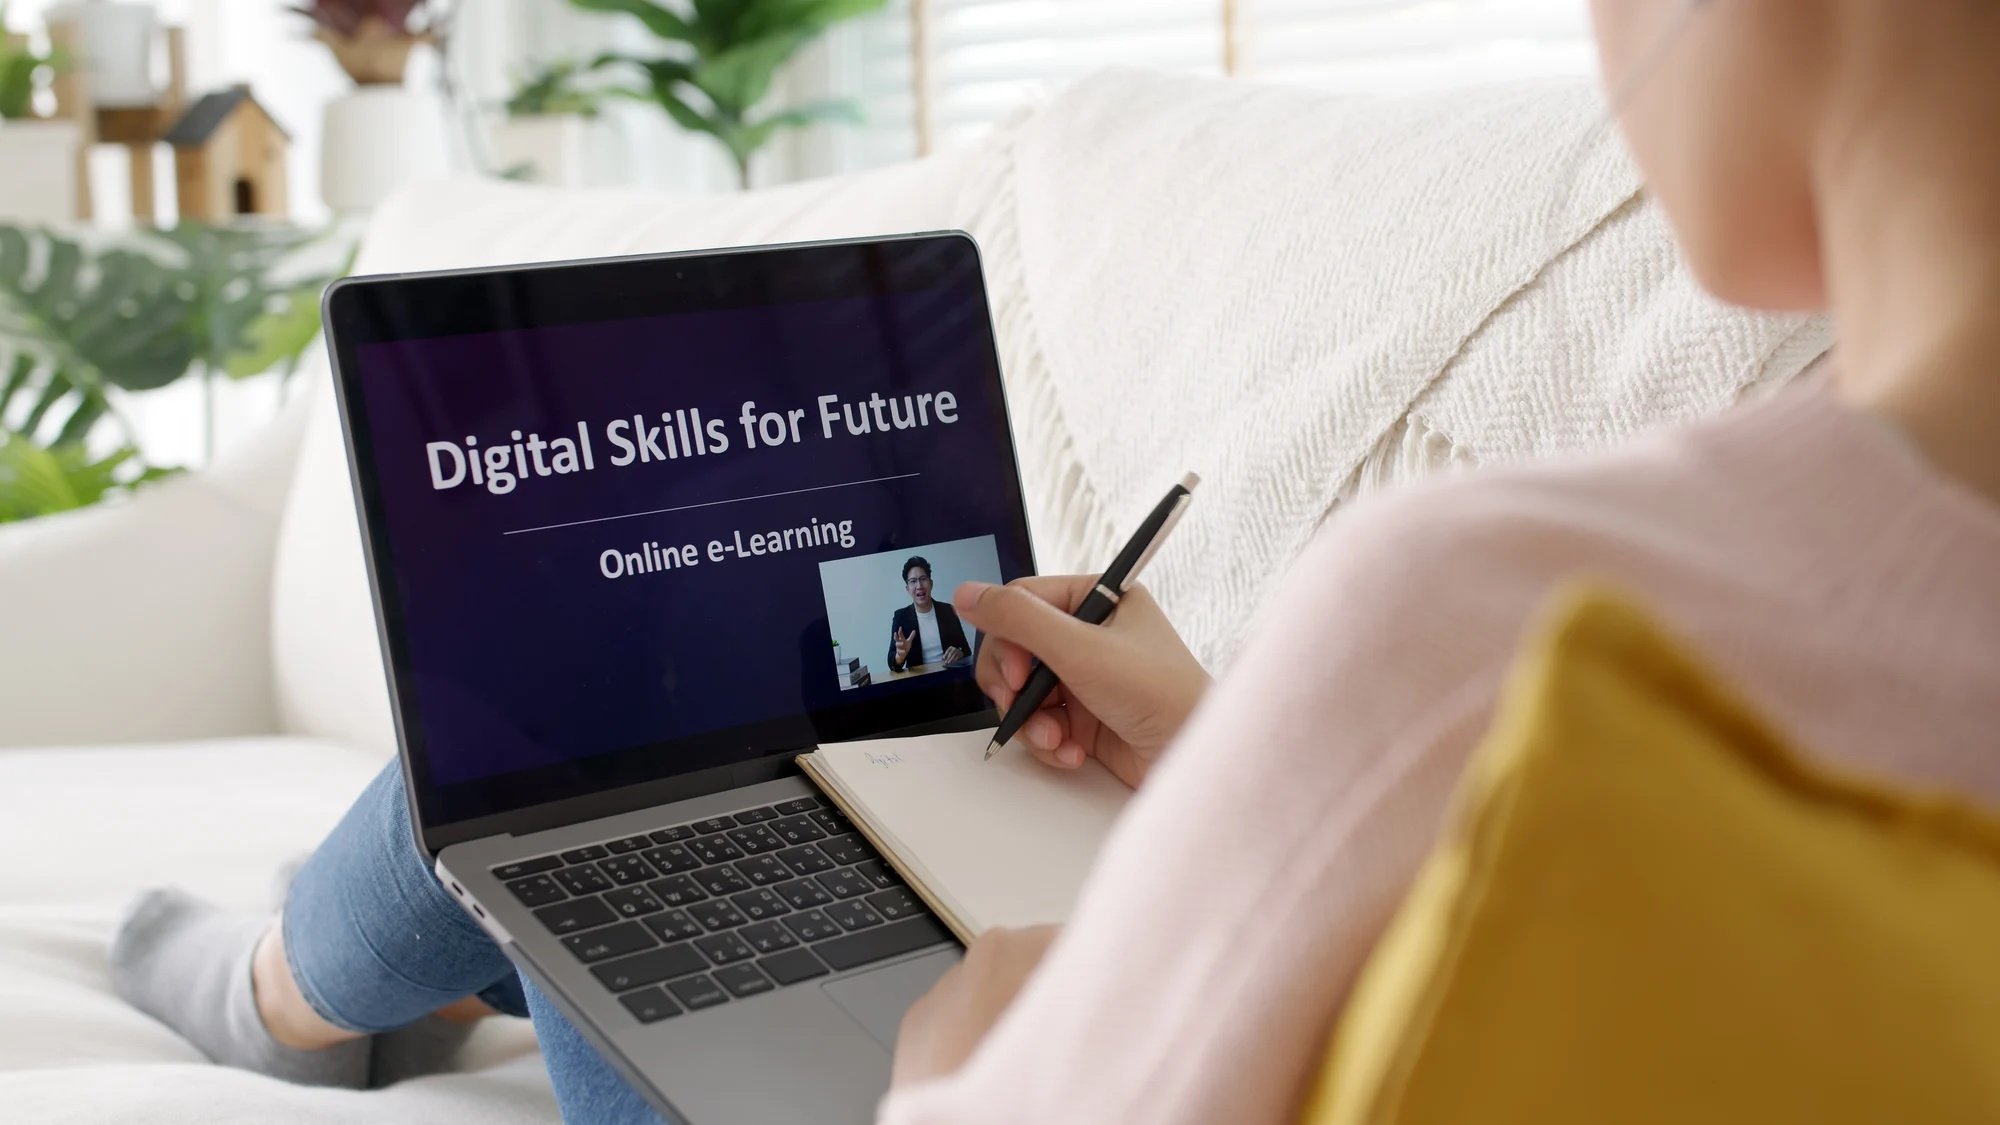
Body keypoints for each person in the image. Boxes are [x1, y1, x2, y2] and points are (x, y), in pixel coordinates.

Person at [107, 1, 2000, 1122]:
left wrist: (953, 1065)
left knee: (563, 797)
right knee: (648, 813)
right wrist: (1245, 743)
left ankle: (286, 987)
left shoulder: (1505, 623)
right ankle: (361, 982)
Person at [886, 556, 972, 673]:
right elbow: (892, 663)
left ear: (931, 583)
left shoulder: (948, 611)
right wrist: (900, 657)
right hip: (919, 684)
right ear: (907, 588)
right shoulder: (901, 617)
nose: (919, 586)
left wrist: (959, 652)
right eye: (913, 581)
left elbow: (966, 650)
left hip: (950, 678)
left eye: (923, 579)